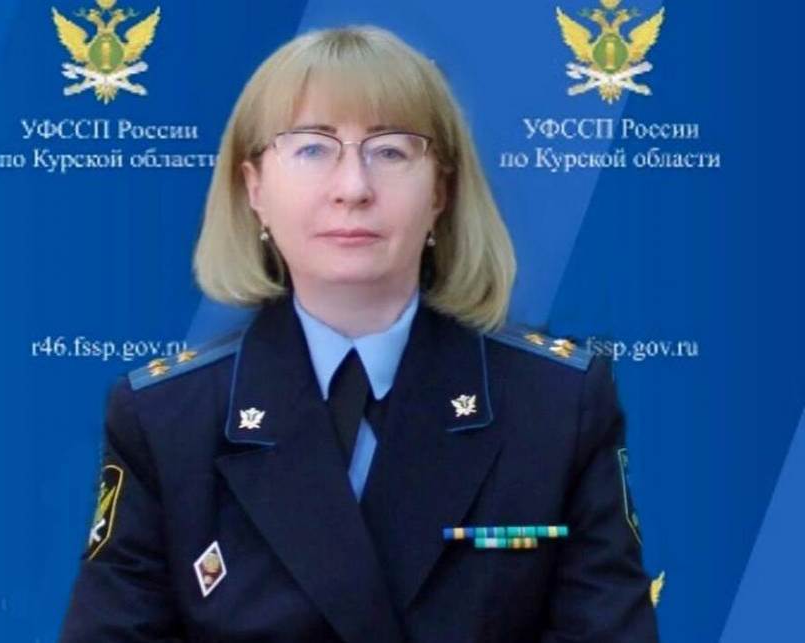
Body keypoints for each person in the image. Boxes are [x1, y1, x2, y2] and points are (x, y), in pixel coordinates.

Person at [59, 24, 660, 643]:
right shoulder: (166, 422)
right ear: (254, 188)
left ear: (441, 191)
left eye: (391, 151)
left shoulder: (556, 407)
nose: (353, 188)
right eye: (312, 149)